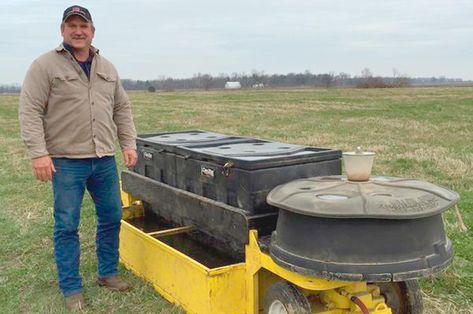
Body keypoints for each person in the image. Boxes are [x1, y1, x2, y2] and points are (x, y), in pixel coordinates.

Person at [19, 5, 137, 310]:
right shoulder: (44, 66)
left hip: (103, 159)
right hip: (66, 162)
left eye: (83, 26)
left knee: (112, 217)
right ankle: (71, 288)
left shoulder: (107, 68)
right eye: (71, 26)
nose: (78, 31)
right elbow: (30, 110)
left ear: (92, 31)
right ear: (62, 31)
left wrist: (129, 143)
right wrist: (39, 153)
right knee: (67, 226)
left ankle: (107, 273)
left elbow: (121, 108)